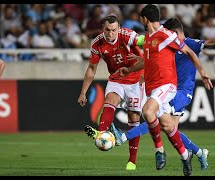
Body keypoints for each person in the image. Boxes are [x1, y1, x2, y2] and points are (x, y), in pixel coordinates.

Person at [114, 4, 213, 176]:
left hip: (176, 89)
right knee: (167, 127)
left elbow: (194, 49)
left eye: (140, 18)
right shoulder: (149, 39)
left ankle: (143, 145)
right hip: (155, 88)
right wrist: (129, 70)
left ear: (145, 19)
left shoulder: (172, 38)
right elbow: (148, 61)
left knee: (149, 112)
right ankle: (190, 154)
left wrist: (203, 73)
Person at [77, 15, 145, 171]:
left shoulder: (127, 35)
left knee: (134, 117)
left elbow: (145, 41)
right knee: (109, 100)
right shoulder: (97, 44)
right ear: (103, 28)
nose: (110, 33)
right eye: (108, 30)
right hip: (116, 78)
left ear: (119, 28)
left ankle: (132, 162)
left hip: (136, 79)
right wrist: (83, 92)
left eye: (114, 30)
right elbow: (92, 69)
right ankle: (101, 133)